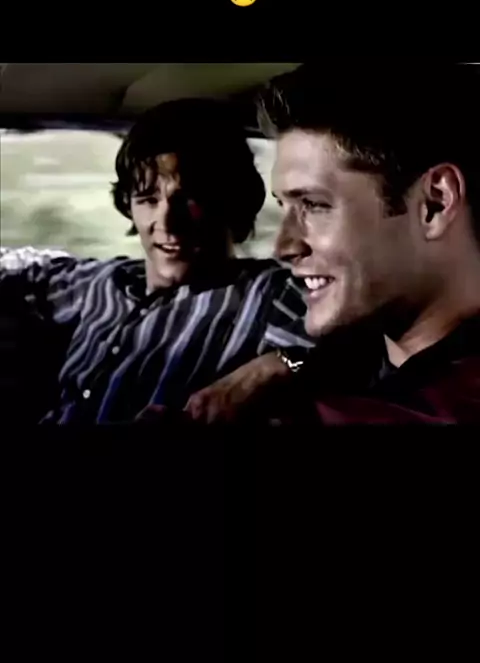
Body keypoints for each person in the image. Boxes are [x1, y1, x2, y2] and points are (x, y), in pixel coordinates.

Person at [0, 98, 312, 424]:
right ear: (128, 206)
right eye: (148, 200)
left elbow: (338, 351)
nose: (166, 223)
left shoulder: (271, 293)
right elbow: (20, 267)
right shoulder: (101, 283)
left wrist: (269, 369)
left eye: (188, 200)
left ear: (232, 200)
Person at [258, 58, 480, 424]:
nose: (283, 247)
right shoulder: (350, 356)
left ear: (435, 204)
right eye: (284, 206)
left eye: (313, 204)